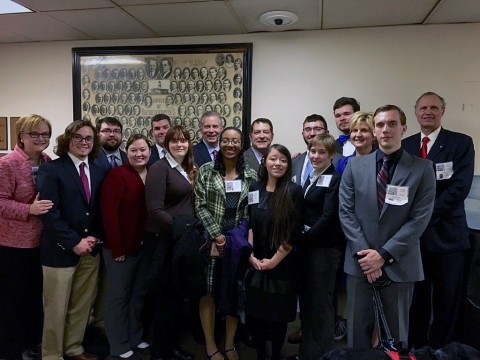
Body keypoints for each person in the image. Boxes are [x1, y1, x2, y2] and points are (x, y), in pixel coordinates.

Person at [339, 104, 436, 349]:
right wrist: (366, 256)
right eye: (380, 124)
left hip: (400, 264)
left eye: (392, 124)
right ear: (374, 129)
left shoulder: (423, 169)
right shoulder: (354, 166)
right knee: (357, 335)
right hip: (360, 264)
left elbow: (419, 219)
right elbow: (346, 213)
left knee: (396, 336)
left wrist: (382, 256)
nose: (385, 130)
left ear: (403, 128)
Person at [403, 92, 475, 349]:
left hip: (447, 237)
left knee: (447, 302)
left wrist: (421, 215)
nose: (428, 112)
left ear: (442, 111)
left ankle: (442, 351)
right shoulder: (406, 145)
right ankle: (416, 349)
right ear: (416, 113)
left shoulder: (460, 143)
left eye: (434, 107)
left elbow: (459, 188)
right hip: (414, 241)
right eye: (423, 108)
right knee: (417, 301)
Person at [37, 120, 106, 360]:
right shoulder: (51, 170)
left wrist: (94, 237)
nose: (84, 142)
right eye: (78, 137)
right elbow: (49, 212)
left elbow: (100, 210)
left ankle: (74, 348)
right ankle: (52, 355)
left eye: (89, 138)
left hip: (90, 250)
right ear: (68, 139)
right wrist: (74, 241)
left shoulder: (99, 169)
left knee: (81, 306)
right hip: (59, 251)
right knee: (55, 310)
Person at [195, 127, 258, 360]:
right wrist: (217, 235)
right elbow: (200, 205)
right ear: (220, 143)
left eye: (235, 141)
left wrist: (234, 238)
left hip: (237, 243)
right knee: (208, 292)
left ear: (242, 144)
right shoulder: (206, 171)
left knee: (235, 291)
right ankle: (211, 344)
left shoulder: (251, 175)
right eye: (226, 140)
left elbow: (251, 212)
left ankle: (230, 343)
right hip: (210, 242)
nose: (230, 145)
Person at [0, 115, 53, 360]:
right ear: (21, 135)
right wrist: (28, 210)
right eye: (35, 134)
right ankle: (10, 350)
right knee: (13, 301)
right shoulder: (7, 164)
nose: (41, 139)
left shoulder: (47, 161)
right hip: (13, 244)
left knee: (35, 299)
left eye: (45, 134)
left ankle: (32, 344)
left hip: (41, 243)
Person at [144, 126, 198, 360]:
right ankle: (159, 351)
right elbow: (154, 210)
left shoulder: (187, 168)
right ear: (166, 144)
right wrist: (181, 228)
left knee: (177, 296)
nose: (179, 145)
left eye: (183, 141)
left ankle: (171, 346)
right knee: (165, 297)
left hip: (182, 240)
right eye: (174, 141)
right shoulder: (159, 168)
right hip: (164, 240)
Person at [246, 144, 303, 360]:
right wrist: (250, 254)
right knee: (258, 315)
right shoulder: (254, 188)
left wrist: (274, 261)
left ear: (288, 164)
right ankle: (261, 354)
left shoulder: (293, 191)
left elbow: (292, 233)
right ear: (264, 161)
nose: (277, 163)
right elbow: (250, 223)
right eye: (273, 159)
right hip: (257, 262)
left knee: (278, 317)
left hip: (282, 263)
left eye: (283, 160)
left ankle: (277, 354)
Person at [101, 134, 151, 359]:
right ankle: (118, 344)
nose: (139, 154)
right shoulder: (117, 175)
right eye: (133, 150)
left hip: (143, 247)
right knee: (119, 297)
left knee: (137, 295)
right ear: (126, 152)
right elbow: (109, 214)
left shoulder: (152, 174)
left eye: (143, 150)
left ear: (149, 151)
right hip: (119, 249)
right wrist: (117, 248)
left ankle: (135, 336)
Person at [297, 135, 344, 360]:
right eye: (313, 151)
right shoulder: (312, 176)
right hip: (309, 250)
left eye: (321, 152)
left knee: (321, 307)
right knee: (308, 304)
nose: (316, 156)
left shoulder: (334, 179)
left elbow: (328, 218)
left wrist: (301, 238)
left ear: (331, 154)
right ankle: (306, 353)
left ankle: (323, 355)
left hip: (324, 251)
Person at [292, 114, 330, 187]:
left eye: (318, 129)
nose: (312, 133)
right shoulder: (294, 162)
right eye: (308, 129)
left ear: (327, 133)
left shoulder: (338, 160)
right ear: (303, 134)